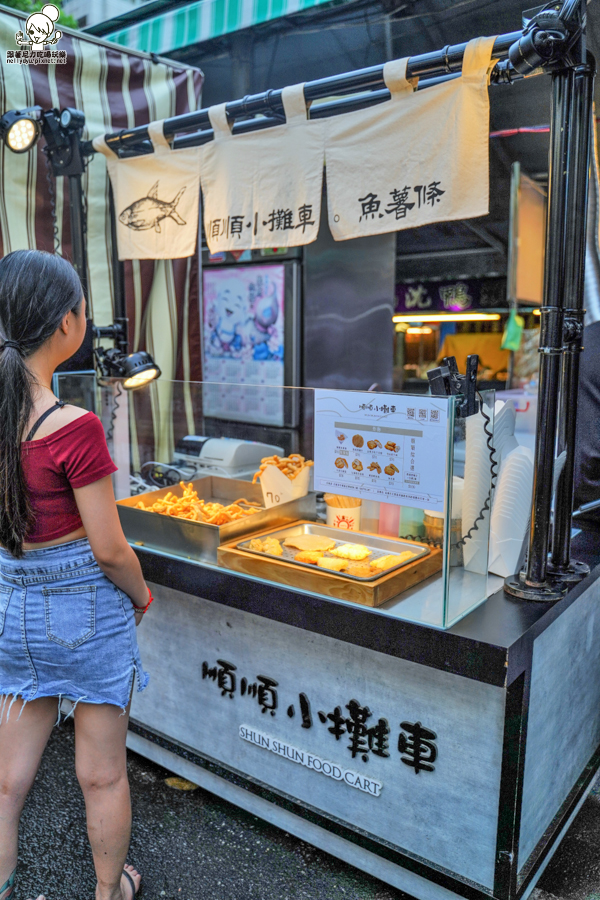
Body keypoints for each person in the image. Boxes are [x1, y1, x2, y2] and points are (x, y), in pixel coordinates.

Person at [0, 250, 151, 900]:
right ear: (67, 323)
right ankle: (108, 892)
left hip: (12, 607)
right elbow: (110, 549)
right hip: (82, 614)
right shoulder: (73, 428)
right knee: (102, 776)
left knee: (6, 778)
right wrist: (141, 594)